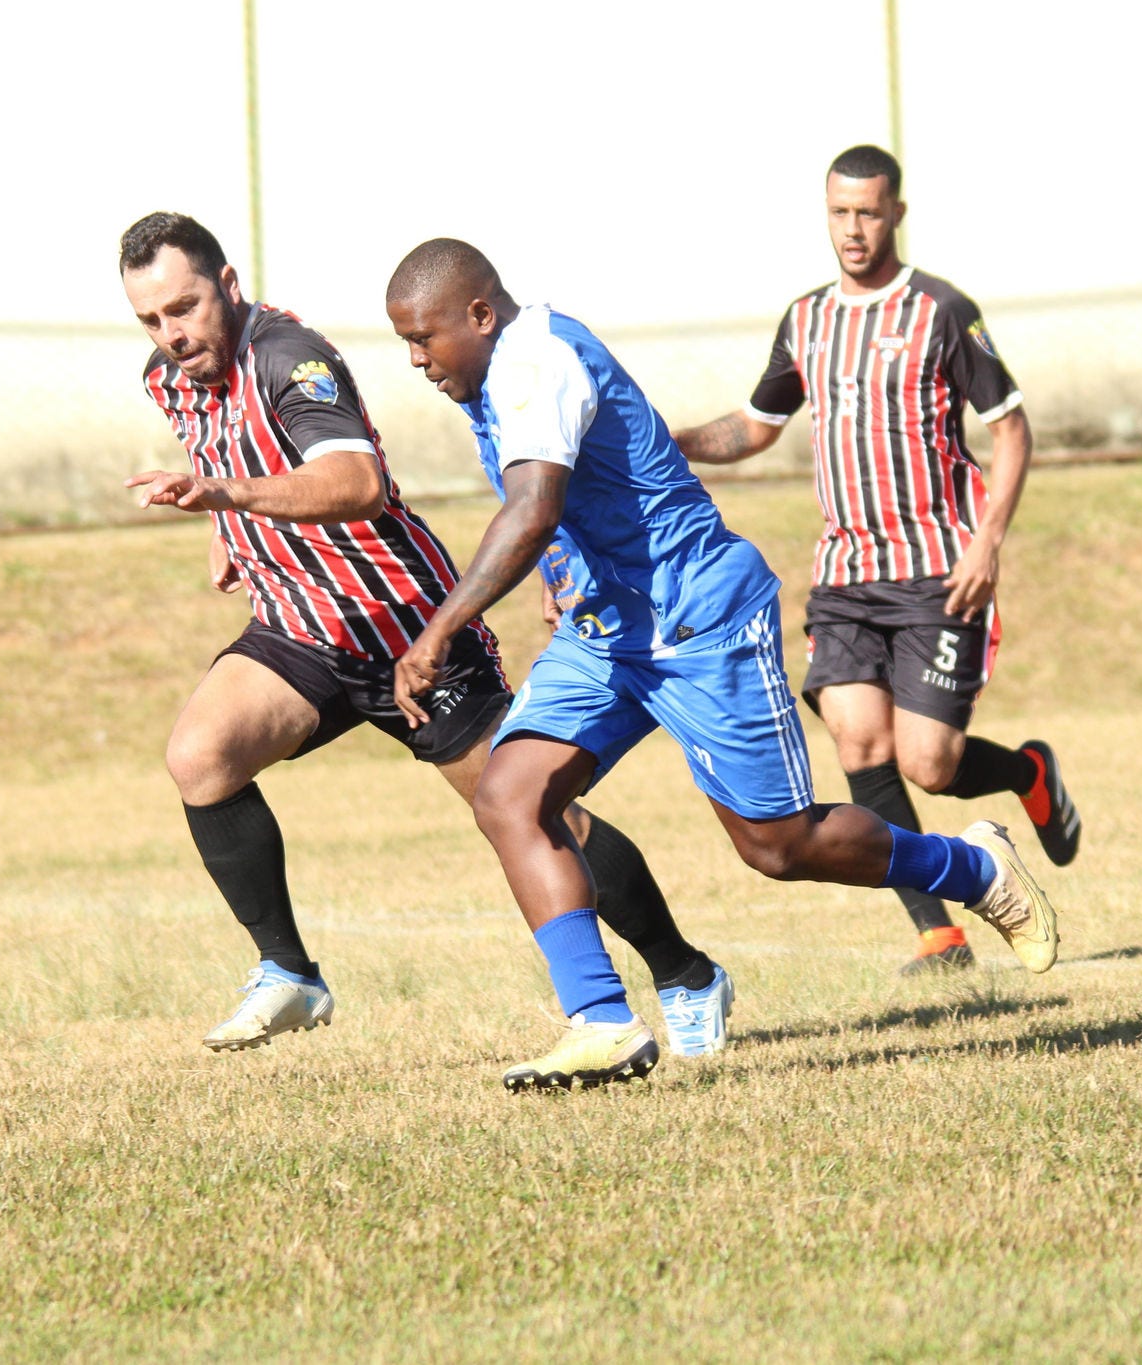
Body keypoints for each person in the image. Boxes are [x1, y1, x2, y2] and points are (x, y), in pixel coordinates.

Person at [385, 238, 1060, 1094]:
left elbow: (531, 508)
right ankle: (600, 1021)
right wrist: (563, 577)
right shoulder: (496, 371)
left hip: (699, 616)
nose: (415, 359)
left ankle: (976, 869)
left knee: (779, 846)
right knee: (509, 795)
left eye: (424, 337)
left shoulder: (535, 363)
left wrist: (440, 629)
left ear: (479, 315)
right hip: (608, 628)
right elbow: (564, 508)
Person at [116, 212, 729, 1058]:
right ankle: (290, 972)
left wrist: (228, 497)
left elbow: (357, 480)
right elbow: (233, 448)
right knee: (200, 755)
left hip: (403, 626)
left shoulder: (292, 358)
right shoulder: (170, 377)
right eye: (151, 318)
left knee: (531, 810)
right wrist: (234, 533)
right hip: (299, 627)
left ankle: (684, 970)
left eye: (184, 308)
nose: (171, 334)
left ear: (228, 286)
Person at [674, 145, 1081, 975]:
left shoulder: (939, 310)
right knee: (861, 748)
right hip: (846, 577)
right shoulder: (807, 319)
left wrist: (987, 539)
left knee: (928, 764)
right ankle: (940, 934)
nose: (853, 229)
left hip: (938, 569)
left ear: (895, 213)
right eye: (839, 212)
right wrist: (670, 441)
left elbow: (1010, 427)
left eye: (867, 212)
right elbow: (755, 425)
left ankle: (1029, 773)